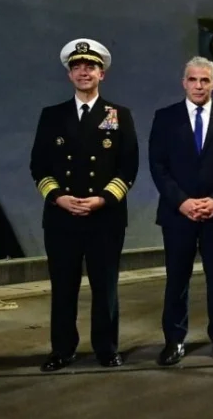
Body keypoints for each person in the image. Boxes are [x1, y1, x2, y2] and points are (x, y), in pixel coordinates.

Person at [29, 38, 139, 372]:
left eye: (90, 67)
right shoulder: (52, 116)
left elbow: (128, 167)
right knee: (64, 287)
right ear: (69, 76)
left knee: (105, 287)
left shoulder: (119, 115)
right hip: (62, 217)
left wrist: (102, 199)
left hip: (104, 217)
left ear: (101, 74)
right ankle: (62, 350)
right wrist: (59, 197)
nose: (83, 72)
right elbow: (39, 167)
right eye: (77, 67)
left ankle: (107, 348)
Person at [148, 56, 213, 365]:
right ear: (184, 82)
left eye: (205, 80)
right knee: (177, 280)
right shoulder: (165, 118)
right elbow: (158, 166)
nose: (199, 85)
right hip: (178, 214)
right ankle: (174, 341)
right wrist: (183, 201)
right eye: (193, 79)